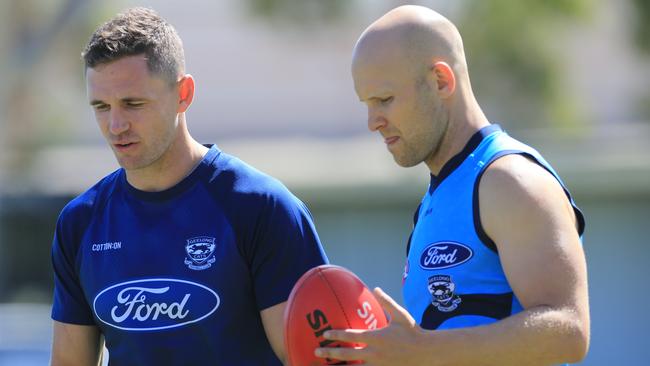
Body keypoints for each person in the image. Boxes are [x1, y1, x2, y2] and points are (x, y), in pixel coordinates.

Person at [49, 7, 328, 365]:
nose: (115, 125)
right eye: (101, 106)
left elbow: (310, 360)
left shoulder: (262, 208)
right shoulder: (79, 223)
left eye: (133, 103)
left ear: (184, 93)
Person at [316, 5, 589, 365]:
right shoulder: (440, 195)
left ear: (441, 81)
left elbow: (569, 331)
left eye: (384, 99)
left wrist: (420, 351)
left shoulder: (509, 181)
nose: (373, 122)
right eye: (366, 104)